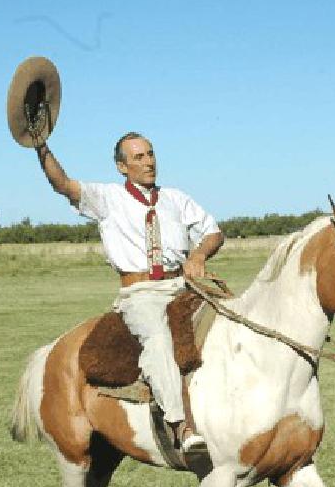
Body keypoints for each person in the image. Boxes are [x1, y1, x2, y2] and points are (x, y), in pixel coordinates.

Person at [34, 131, 224, 454]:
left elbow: (213, 232)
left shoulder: (176, 199)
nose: (149, 162)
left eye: (150, 154)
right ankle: (180, 426)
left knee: (231, 316)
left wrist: (199, 255)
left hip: (181, 283)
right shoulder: (106, 198)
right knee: (158, 339)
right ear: (122, 167)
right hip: (141, 293)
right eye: (139, 157)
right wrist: (41, 148)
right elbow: (63, 184)